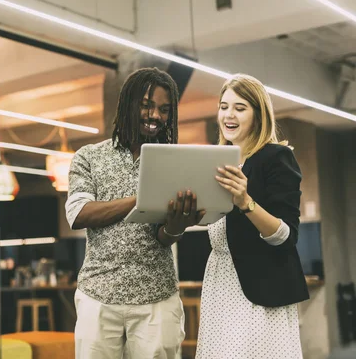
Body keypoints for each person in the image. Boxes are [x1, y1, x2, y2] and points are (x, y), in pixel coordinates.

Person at [66, 67, 205, 359]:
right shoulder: (90, 156)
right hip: (99, 296)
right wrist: (141, 199)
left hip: (157, 297)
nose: (155, 115)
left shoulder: (174, 161)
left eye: (164, 110)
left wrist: (177, 225)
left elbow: (163, 236)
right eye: (147, 105)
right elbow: (79, 213)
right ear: (128, 103)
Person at [196, 74, 309, 359]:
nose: (228, 115)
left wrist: (246, 202)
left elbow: (285, 237)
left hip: (261, 288)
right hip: (220, 282)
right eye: (223, 106)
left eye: (240, 107)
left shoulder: (276, 158)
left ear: (258, 115)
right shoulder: (216, 161)